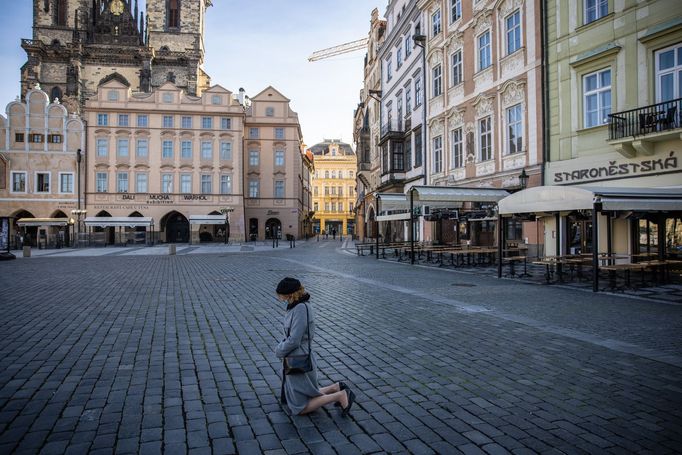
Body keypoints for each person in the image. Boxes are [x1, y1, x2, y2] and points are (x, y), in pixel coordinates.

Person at [274, 277, 355, 416]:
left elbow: (294, 339)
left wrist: (279, 350)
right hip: (295, 355)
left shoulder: (300, 308)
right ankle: (335, 388)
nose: (279, 297)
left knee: (300, 407)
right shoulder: (295, 306)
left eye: (280, 294)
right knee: (303, 393)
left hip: (299, 358)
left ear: (290, 294)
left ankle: (341, 395)